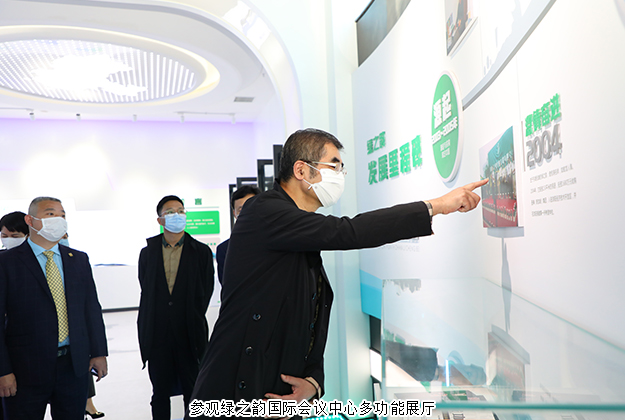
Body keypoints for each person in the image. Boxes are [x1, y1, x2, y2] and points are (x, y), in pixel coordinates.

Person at [187, 128, 487, 414]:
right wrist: (437, 205)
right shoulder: (266, 210)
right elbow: (349, 231)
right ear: (301, 170)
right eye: (334, 166)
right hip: (235, 391)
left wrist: (313, 382)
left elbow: (310, 319)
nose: (340, 176)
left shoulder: (295, 229)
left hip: (276, 394)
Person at [0, 196, 108, 420]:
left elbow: (91, 309)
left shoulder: (78, 260)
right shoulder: (7, 263)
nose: (58, 219)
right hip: (25, 368)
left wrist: (99, 352)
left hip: (73, 366)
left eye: (62, 215)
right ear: (30, 220)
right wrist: (3, 370)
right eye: (50, 214)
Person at [137, 195, 215, 420]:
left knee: (193, 391)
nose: (177, 215)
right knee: (159, 392)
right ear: (160, 220)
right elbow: (146, 289)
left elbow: (206, 290)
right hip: (158, 334)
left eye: (180, 211)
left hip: (189, 333)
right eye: (170, 212)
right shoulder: (148, 252)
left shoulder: (200, 251)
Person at [215, 185, 261, 284]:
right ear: (234, 213)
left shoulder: (276, 243)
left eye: (251, 207)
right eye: (241, 210)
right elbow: (227, 285)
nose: (247, 212)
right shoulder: (224, 250)